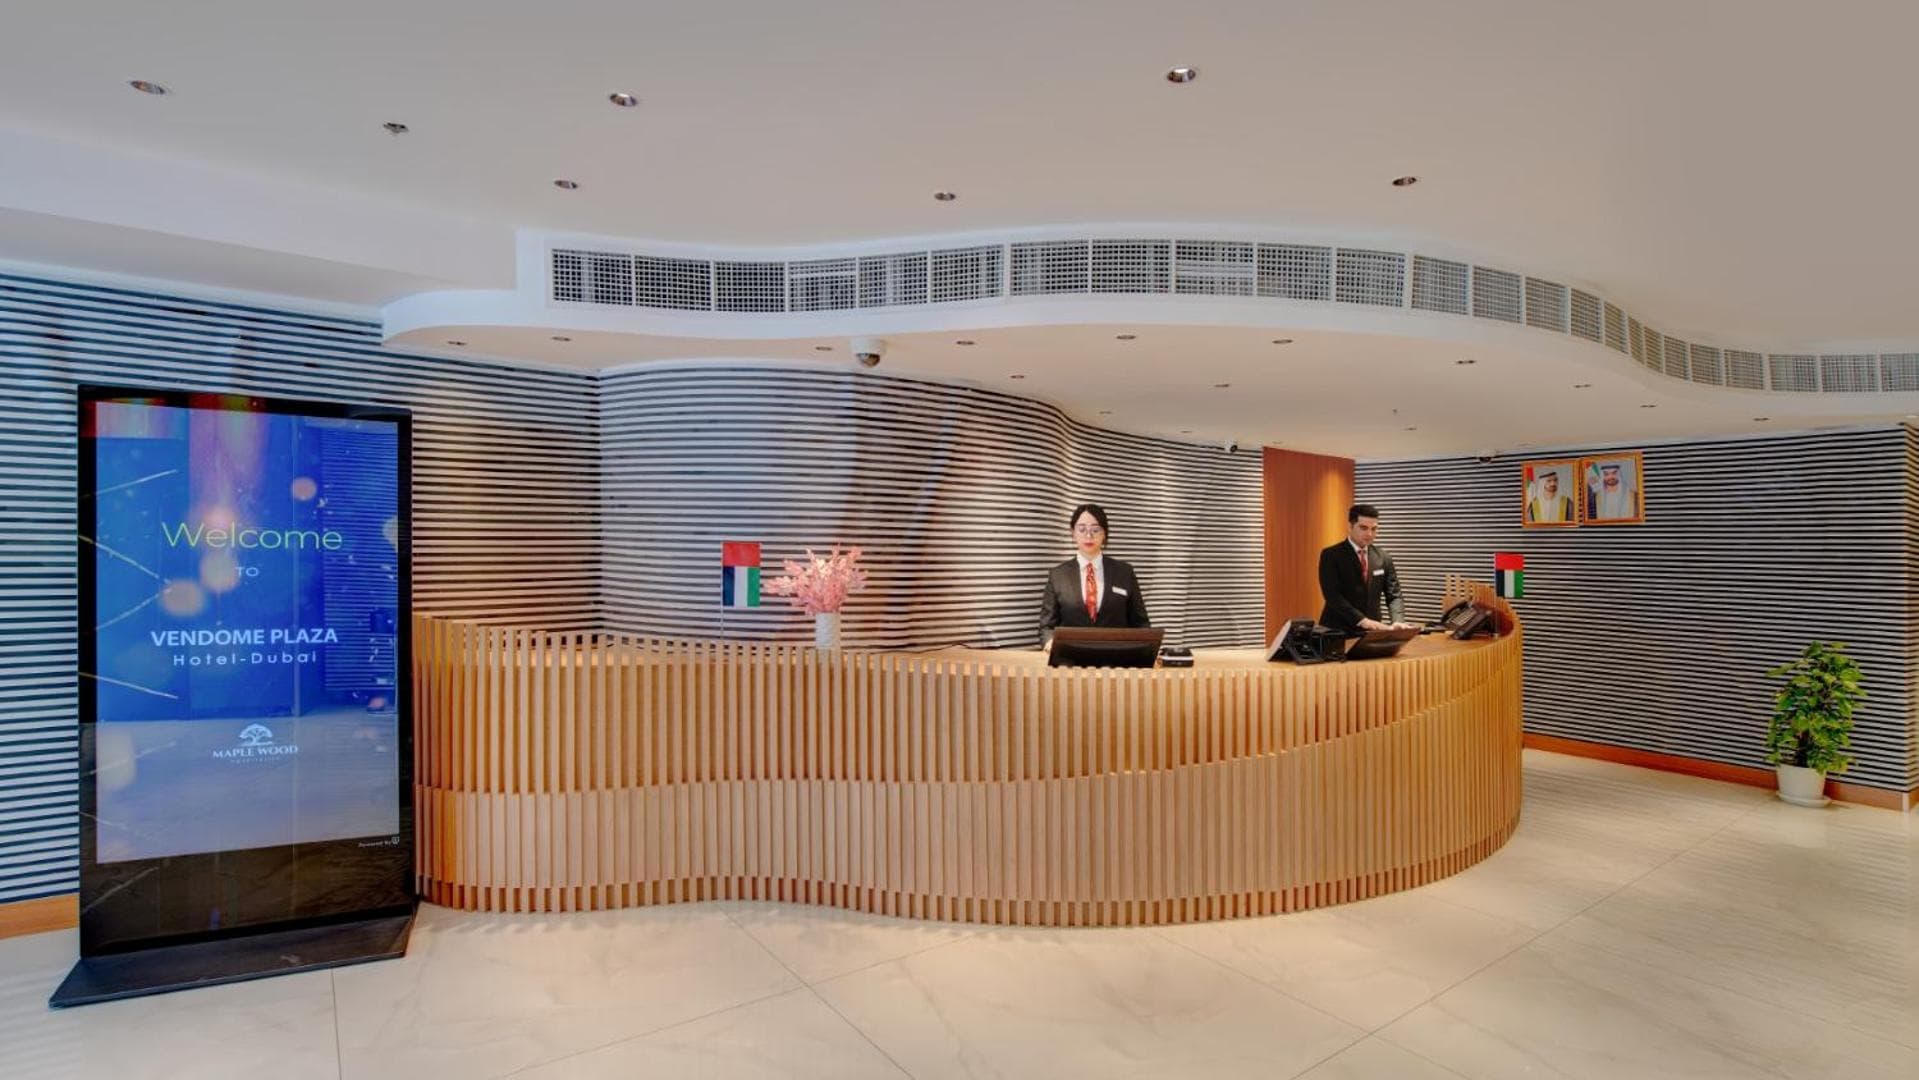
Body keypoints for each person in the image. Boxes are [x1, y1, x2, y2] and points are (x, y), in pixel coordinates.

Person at [1039, 502, 1150, 647]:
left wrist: (1146, 648)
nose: (1088, 535)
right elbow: (1046, 627)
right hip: (1071, 656)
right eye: (1082, 529)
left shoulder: (1124, 572)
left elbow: (1141, 624)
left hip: (1116, 656)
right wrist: (1050, 643)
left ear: (1104, 534)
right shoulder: (1058, 575)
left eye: (1095, 529)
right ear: (1073, 534)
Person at [1318, 503, 1407, 633]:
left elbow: (1394, 595)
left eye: (1374, 529)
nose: (1370, 534)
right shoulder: (1331, 555)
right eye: (1363, 528)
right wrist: (1363, 621)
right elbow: (1332, 596)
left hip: (1372, 631)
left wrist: (1397, 620)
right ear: (1350, 526)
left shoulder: (1383, 557)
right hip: (1337, 630)